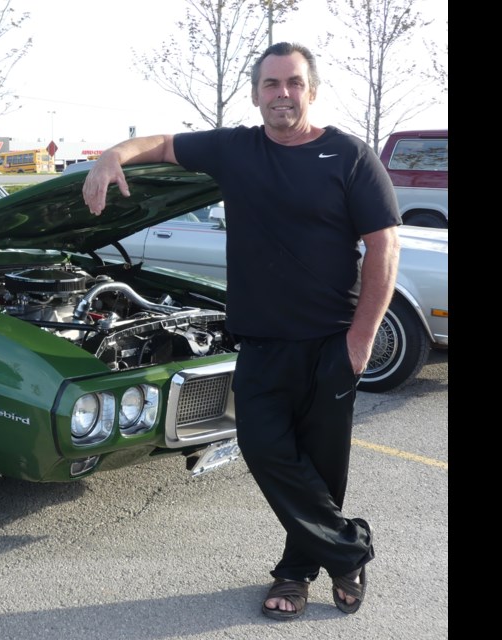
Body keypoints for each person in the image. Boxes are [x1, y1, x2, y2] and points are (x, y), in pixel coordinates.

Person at [82, 42, 400, 621]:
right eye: (272, 84)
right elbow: (159, 143)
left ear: (312, 89)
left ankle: (297, 571)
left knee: (322, 465)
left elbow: (385, 245)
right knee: (262, 447)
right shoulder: (235, 148)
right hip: (259, 341)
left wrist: (360, 341)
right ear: (256, 93)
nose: (283, 94)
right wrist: (111, 156)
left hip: (331, 341)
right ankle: (349, 549)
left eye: (294, 83)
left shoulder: (350, 155)